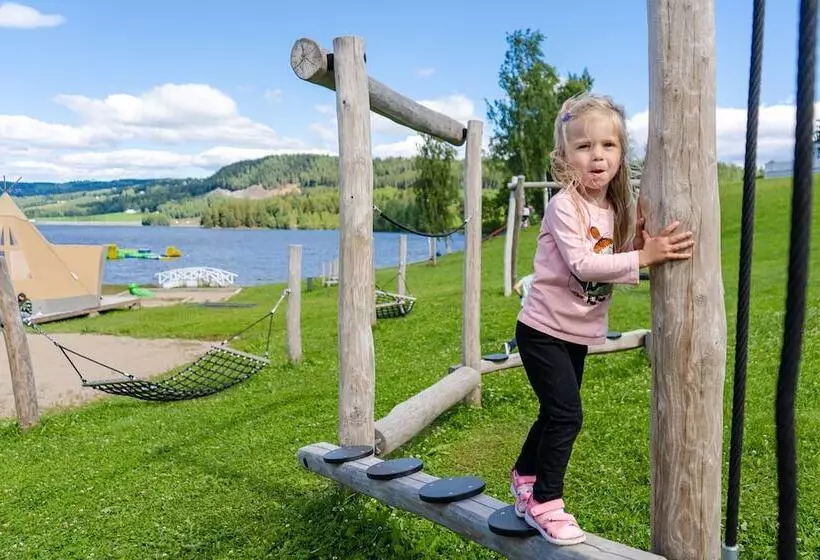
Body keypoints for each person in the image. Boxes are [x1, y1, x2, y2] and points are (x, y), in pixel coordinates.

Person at [509, 93, 694, 546]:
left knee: (554, 411)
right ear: (564, 156)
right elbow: (584, 264)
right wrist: (643, 257)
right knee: (567, 415)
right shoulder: (564, 206)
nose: (597, 156)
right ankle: (545, 503)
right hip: (542, 331)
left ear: (620, 153)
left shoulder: (611, 208)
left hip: (572, 332)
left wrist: (638, 242)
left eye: (608, 145)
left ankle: (525, 477)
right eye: (584, 146)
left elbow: (611, 251)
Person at [502, 273, 534, 355]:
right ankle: (511, 344)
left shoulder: (526, 278)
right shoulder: (538, 278)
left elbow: (516, 287)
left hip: (524, 304)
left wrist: (521, 296)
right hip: (533, 306)